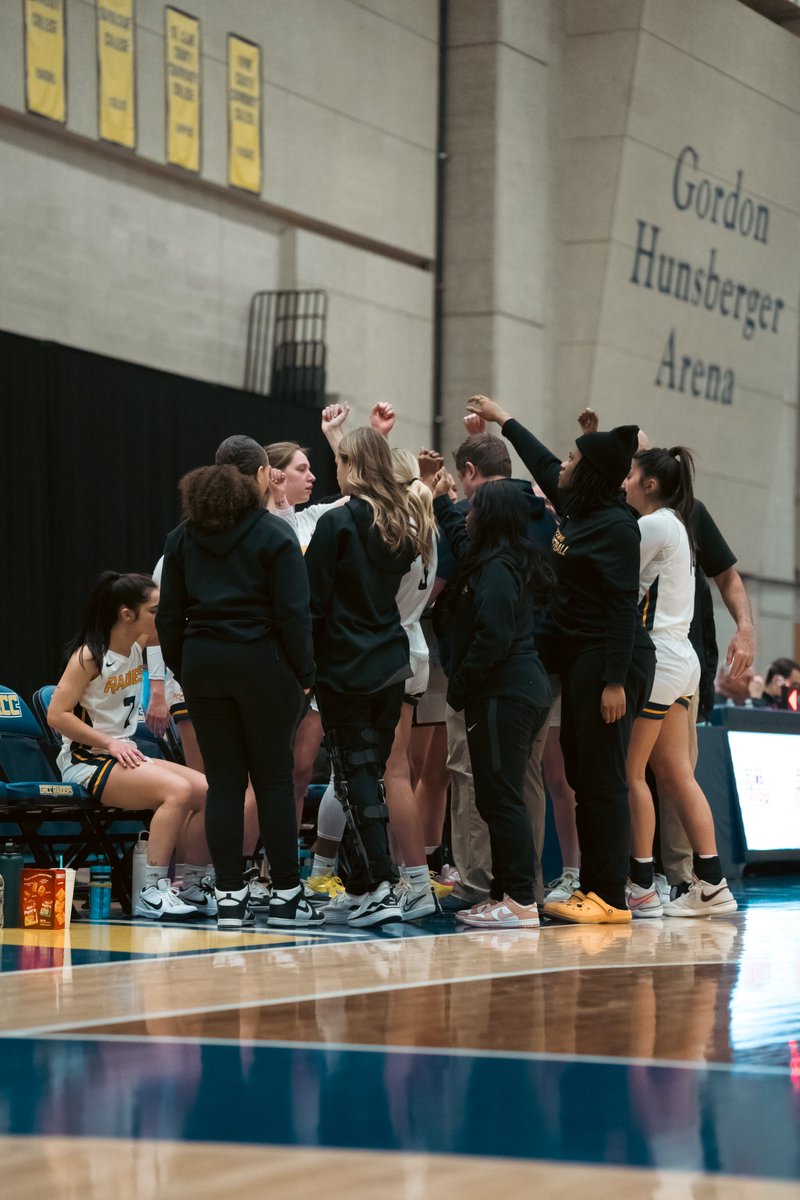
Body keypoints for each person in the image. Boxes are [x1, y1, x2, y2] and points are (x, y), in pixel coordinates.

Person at [465, 393, 656, 924]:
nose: (563, 466)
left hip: (612, 658)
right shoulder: (578, 506)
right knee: (580, 768)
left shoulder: (618, 526)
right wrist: (505, 421)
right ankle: (592, 888)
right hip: (583, 656)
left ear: (591, 473)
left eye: (574, 461)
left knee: (601, 776)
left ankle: (609, 896)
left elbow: (623, 605)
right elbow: (544, 461)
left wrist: (615, 681)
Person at [156, 445, 322, 930]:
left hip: (204, 665)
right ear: (263, 475)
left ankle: (229, 896)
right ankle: (288, 896)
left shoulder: (181, 537)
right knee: (272, 779)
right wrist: (305, 674)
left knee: (224, 782)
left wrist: (184, 667)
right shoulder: (275, 533)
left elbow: (168, 617)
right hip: (264, 664)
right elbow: (294, 614)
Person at [305, 425, 419, 927]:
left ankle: (378, 885)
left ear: (351, 464)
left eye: (339, 460)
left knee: (354, 780)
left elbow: (313, 601)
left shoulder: (338, 523)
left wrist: (304, 667)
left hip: (347, 667)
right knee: (365, 778)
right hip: (390, 664)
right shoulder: (400, 522)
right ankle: (357, 886)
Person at [48, 571, 208, 920]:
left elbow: (177, 631)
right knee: (178, 792)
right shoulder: (89, 656)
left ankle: (191, 884)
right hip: (87, 759)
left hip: (121, 754)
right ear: (126, 614)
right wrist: (108, 742)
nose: (160, 617)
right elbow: (57, 715)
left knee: (205, 789)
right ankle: (150, 892)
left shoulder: (138, 646)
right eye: (154, 610)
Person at [431, 472, 553, 927]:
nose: (470, 512)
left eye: (475, 506)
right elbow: (464, 544)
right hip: (513, 689)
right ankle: (506, 894)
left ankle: (519, 901)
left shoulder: (499, 568)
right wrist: (444, 503)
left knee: (502, 798)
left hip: (506, 691)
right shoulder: (494, 557)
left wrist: (460, 685)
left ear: (492, 515)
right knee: (498, 796)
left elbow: (494, 635)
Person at [623, 447, 738, 918]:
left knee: (630, 774)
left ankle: (640, 885)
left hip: (659, 658)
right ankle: (711, 882)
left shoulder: (651, 525)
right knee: (675, 773)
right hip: (683, 659)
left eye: (630, 474)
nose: (624, 482)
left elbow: (615, 581)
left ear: (650, 483)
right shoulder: (678, 526)